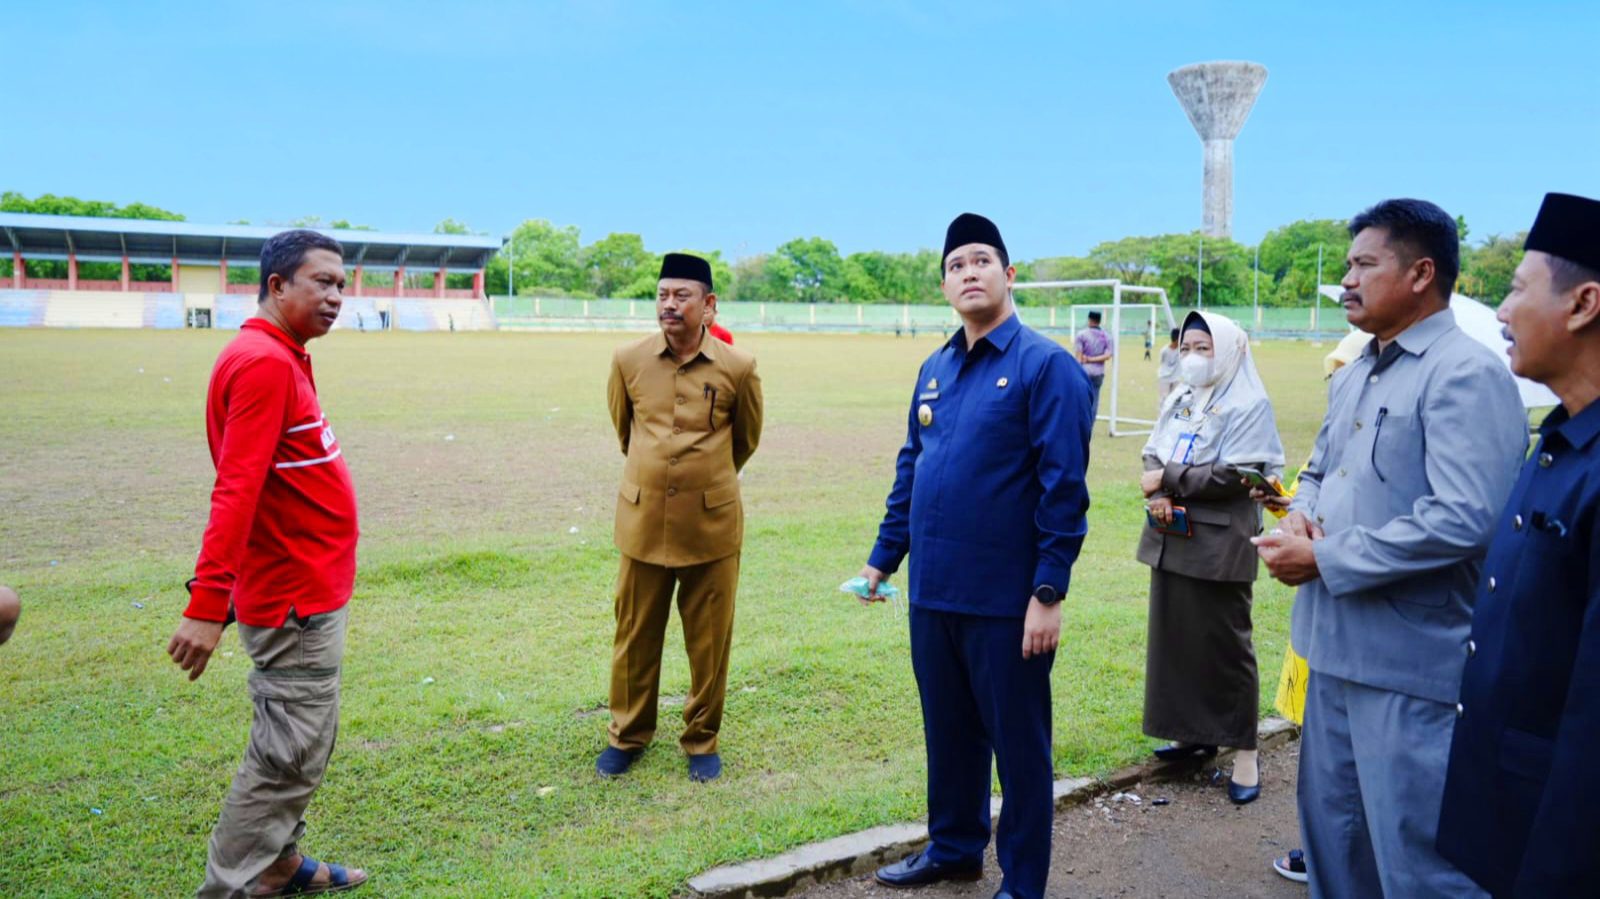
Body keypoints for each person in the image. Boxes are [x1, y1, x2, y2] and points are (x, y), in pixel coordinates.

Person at [1252, 199, 1527, 898]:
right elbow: (1319, 471)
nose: (1346, 280)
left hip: (1409, 665)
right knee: (1336, 845)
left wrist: (1325, 558)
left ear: (1420, 273)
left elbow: (1468, 515)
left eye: (1363, 265)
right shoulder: (1355, 371)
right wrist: (1299, 522)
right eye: (1348, 265)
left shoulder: (1464, 373)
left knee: (1416, 862)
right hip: (1331, 649)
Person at [858, 213, 1092, 899]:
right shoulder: (935, 368)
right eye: (956, 265)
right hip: (934, 593)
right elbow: (912, 468)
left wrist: (1047, 591)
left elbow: (1064, 489)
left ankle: (1023, 881)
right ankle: (955, 846)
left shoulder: (1045, 366)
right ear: (944, 285)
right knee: (950, 732)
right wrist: (883, 557)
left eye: (981, 260)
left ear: (1008, 274)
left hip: (1006, 601)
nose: (969, 273)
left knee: (1019, 748)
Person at [165, 229, 367, 897]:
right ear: (277, 286)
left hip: (304, 586)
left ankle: (279, 863)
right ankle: (232, 885)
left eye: (341, 284)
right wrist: (206, 603)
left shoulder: (281, 354)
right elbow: (236, 489)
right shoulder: (264, 363)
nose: (336, 296)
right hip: (292, 597)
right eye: (322, 282)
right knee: (285, 753)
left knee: (304, 741)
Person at [1436, 192, 1600, 897]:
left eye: (1516, 288)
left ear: (1584, 303)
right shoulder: (1562, 439)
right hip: (1514, 807)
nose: (1500, 312)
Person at [599, 252, 763, 783]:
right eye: (662, 295)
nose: (669, 305)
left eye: (682, 296)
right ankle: (627, 735)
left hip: (711, 525)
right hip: (643, 521)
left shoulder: (738, 367)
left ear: (708, 304)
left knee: (710, 640)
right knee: (634, 634)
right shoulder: (628, 360)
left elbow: (746, 440)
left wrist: (705, 480)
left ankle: (701, 738)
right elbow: (625, 432)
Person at [1139, 310, 1284, 805]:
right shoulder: (1182, 395)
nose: (1193, 357)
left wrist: (1167, 479)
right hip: (1173, 532)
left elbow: (1235, 476)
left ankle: (1245, 751)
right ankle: (1193, 735)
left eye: (1204, 348)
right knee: (1178, 640)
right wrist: (1159, 490)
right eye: (1187, 348)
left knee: (1225, 645)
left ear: (1229, 351)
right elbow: (1153, 451)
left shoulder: (1249, 402)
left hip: (1220, 542)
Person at [1074, 310, 1113, 429]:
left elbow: (1078, 357)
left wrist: (1088, 359)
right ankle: (1089, 427)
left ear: (1089, 319)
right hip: (1098, 373)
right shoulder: (1107, 336)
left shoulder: (1081, 334)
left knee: (1080, 399)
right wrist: (1093, 359)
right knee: (1094, 401)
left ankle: (1078, 425)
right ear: (1099, 321)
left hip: (1083, 372)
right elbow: (1108, 355)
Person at [1156, 326, 1181, 406]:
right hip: (1164, 378)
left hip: (1176, 378)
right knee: (1163, 399)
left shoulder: (1181, 350)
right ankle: (1162, 414)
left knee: (1175, 400)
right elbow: (1161, 362)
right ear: (1177, 339)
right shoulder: (1164, 350)